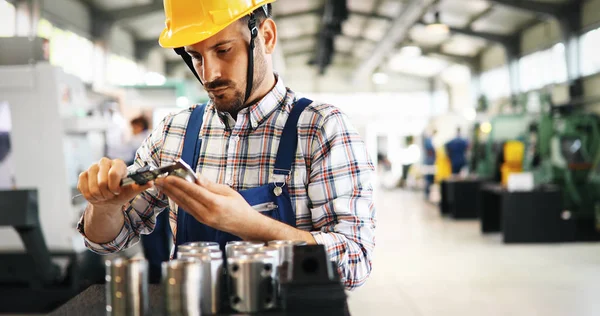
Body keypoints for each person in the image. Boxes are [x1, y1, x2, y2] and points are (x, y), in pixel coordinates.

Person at [75, 0, 376, 289]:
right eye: (196, 56)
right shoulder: (173, 132)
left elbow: (354, 263)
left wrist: (250, 225)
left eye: (223, 49)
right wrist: (104, 207)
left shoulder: (321, 129)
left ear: (267, 37)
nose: (210, 73)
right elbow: (107, 240)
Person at [423, 130, 436, 198]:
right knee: (429, 179)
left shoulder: (430, 140)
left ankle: (428, 194)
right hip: (429, 162)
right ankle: (427, 194)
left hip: (430, 162)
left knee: (430, 179)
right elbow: (431, 150)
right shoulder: (429, 141)